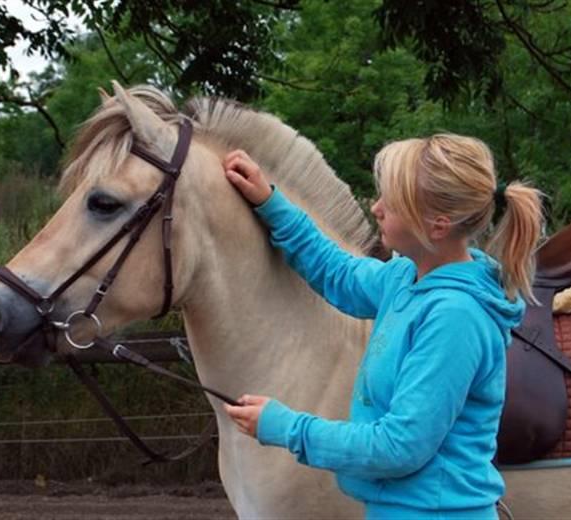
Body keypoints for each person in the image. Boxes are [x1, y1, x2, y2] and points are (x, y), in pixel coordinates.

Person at [222, 134, 543, 520]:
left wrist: (287, 426)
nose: (376, 208)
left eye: (391, 203)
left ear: (437, 226)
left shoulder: (455, 317)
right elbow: (336, 271)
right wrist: (270, 203)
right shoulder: (407, 278)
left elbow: (398, 447)